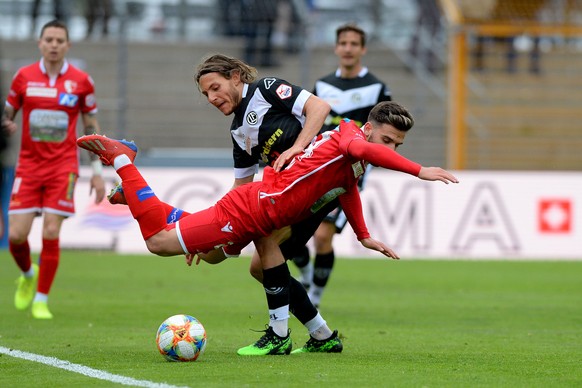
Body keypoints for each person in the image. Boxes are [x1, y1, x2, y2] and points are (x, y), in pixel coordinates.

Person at [77, 101, 458, 353]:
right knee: (159, 243)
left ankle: (318, 336)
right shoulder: (350, 134)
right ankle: (125, 162)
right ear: (371, 128)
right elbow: (362, 153)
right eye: (388, 141)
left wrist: (363, 235)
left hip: (264, 211)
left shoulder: (355, 159)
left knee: (209, 255)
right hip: (254, 207)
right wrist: (418, 170)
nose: (392, 150)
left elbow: (348, 190)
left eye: (399, 146)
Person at [2, 20, 106, 319]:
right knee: (17, 237)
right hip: (28, 167)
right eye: (49, 39)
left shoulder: (82, 81)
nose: (54, 44)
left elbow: (90, 126)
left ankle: (41, 300)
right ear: (40, 43)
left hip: (63, 167)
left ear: (67, 45)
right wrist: (7, 121)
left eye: (60, 40)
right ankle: (27, 273)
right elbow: (9, 111)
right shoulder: (24, 77)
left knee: (50, 230)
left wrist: (97, 171)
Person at [291, 23, 392, 307]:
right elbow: (309, 122)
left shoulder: (377, 88)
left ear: (362, 49)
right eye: (343, 43)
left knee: (323, 237)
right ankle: (308, 275)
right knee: (291, 230)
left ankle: (315, 298)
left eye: (353, 44)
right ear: (337, 48)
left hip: (351, 171)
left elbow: (386, 129)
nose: (348, 48)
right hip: (318, 166)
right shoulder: (323, 86)